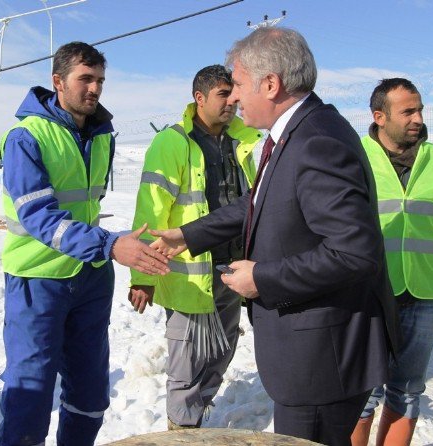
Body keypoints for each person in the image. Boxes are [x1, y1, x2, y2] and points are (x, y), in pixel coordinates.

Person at [149, 27, 399, 446]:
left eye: (239, 85)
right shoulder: (295, 133)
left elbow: (354, 253)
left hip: (323, 362)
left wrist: (261, 278)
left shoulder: (317, 140)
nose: (233, 97)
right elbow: (257, 203)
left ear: (271, 84)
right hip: (312, 354)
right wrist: (187, 235)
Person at [0, 41, 169, 446]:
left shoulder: (100, 134)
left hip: (90, 279)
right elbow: (38, 215)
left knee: (91, 391)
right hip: (37, 280)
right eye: (85, 79)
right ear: (58, 82)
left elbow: (89, 204)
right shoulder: (26, 137)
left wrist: (107, 250)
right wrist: (109, 245)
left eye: (101, 81)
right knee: (31, 394)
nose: (95, 89)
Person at [127, 64, 261, 429]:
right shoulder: (173, 142)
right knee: (187, 363)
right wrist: (142, 274)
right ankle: (182, 430)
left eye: (234, 94)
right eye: (223, 94)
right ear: (199, 98)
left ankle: (195, 417)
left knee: (222, 349)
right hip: (191, 275)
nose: (232, 101)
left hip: (233, 269)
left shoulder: (243, 140)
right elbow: (150, 211)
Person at [350, 78, 433, 446]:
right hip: (369, 295)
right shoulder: (355, 159)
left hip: (421, 295)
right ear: (379, 116)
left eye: (420, 109)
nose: (418, 118)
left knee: (406, 391)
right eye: (408, 111)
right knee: (363, 395)